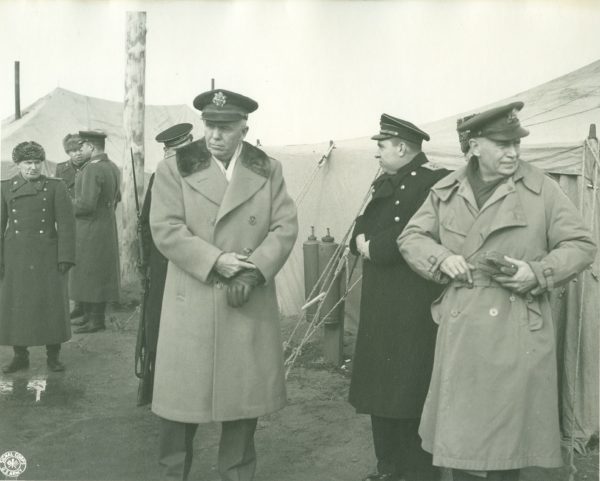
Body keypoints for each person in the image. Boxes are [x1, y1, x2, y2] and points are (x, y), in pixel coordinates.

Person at [397, 101, 597, 481]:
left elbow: (582, 245)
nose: (514, 152)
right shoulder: (446, 190)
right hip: (462, 325)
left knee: (506, 451)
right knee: (463, 446)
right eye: (502, 144)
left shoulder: (542, 189)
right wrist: (440, 258)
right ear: (474, 146)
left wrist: (537, 272)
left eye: (516, 144)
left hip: (516, 326)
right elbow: (411, 237)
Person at [150, 89, 298, 481]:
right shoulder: (176, 167)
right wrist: (216, 260)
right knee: (179, 413)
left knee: (242, 410)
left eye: (225, 128)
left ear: (244, 129)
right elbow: (164, 229)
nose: (215, 135)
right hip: (192, 301)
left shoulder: (267, 169)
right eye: (210, 126)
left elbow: (285, 226)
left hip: (244, 300)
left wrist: (253, 269)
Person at [349, 114, 449, 481]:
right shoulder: (385, 181)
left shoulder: (433, 181)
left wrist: (373, 247)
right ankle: (388, 467)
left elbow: (415, 235)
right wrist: (365, 243)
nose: (377, 152)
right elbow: (357, 229)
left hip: (412, 304)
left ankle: (418, 472)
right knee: (380, 390)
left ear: (402, 148)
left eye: (382, 145)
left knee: (411, 390)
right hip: (381, 306)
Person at [0, 141, 75, 373]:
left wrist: (66, 257)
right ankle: (20, 355)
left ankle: (53, 356)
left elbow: (66, 225)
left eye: (37, 162)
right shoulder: (4, 187)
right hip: (16, 256)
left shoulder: (55, 186)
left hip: (48, 256)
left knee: (51, 304)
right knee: (17, 305)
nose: (33, 167)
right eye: (27, 163)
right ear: (18, 164)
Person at [136, 122, 193, 406]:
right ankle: (160, 385)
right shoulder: (160, 176)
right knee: (159, 323)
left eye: (180, 149)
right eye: (172, 151)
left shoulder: (208, 176)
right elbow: (146, 223)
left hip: (194, 262)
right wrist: (146, 264)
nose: (175, 156)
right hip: (164, 263)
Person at [69, 130, 121, 334]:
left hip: (89, 228)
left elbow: (86, 205)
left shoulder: (91, 169)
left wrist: (66, 204)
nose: (80, 150)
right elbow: (116, 198)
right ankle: (92, 317)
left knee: (90, 272)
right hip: (106, 225)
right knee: (98, 271)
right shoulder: (113, 167)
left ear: (91, 146)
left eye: (82, 146)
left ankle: (96, 321)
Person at [56, 132, 87, 320]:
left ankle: (85, 304)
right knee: (72, 263)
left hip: (85, 221)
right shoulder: (61, 169)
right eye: (72, 151)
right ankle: (76, 303)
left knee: (85, 263)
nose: (76, 154)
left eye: (78, 150)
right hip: (68, 222)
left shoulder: (90, 168)